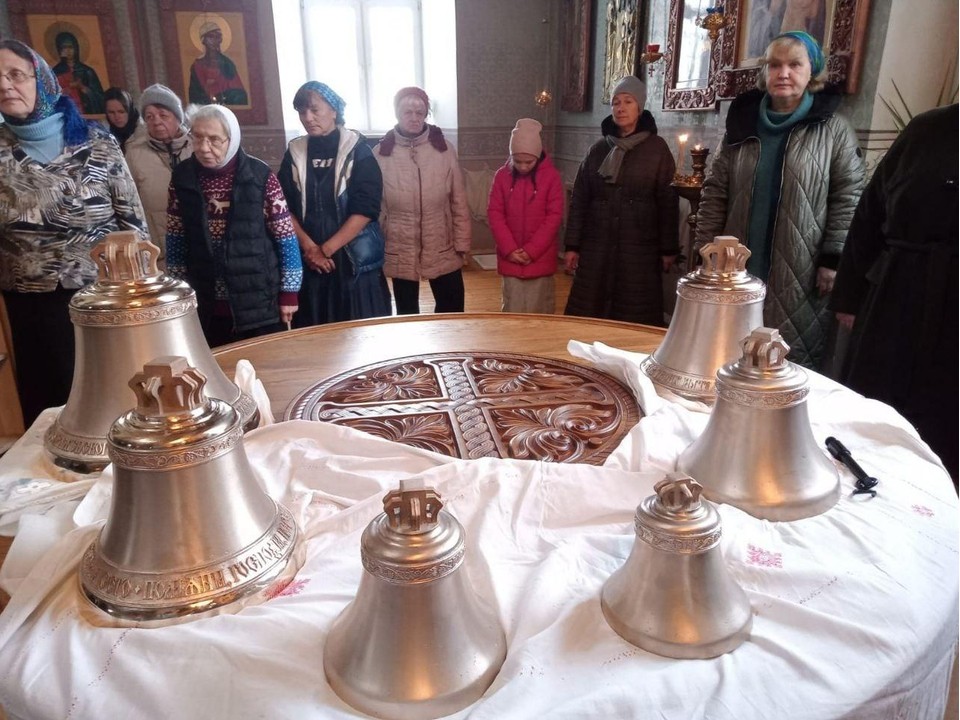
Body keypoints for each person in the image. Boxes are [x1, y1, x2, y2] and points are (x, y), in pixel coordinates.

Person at [0, 39, 147, 426]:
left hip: (103, 300)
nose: (4, 85)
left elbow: (132, 224)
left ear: (43, 80)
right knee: (50, 410)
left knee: (112, 403)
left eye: (16, 74)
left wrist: (142, 301)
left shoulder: (97, 142)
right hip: (29, 309)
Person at [695, 31, 864, 368]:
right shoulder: (742, 124)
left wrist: (833, 259)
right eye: (774, 65)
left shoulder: (834, 129)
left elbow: (849, 195)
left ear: (811, 72)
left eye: (794, 64)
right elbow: (715, 190)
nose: (783, 73)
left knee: (785, 359)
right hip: (738, 262)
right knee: (727, 353)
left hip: (801, 265)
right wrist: (706, 249)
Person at [830, 104, 958, 480]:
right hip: (897, 297)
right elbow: (868, 215)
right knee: (875, 412)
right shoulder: (926, 128)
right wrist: (849, 297)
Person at [165, 104, 301, 347]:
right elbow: (175, 237)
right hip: (204, 299)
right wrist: (178, 293)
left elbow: (285, 238)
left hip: (258, 300)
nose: (204, 148)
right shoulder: (182, 177)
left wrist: (289, 292)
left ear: (232, 139)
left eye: (215, 140)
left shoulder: (260, 176)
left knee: (262, 373)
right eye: (197, 138)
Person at [563, 75, 679, 326]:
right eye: (616, 102)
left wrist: (668, 249)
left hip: (639, 249)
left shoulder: (657, 150)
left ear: (640, 107)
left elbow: (667, 202)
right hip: (597, 247)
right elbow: (580, 199)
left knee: (634, 316)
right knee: (588, 317)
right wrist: (573, 245)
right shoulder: (598, 150)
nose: (620, 107)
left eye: (628, 101)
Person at [278, 81, 391, 325]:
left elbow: (366, 209)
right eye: (301, 111)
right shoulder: (294, 153)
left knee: (360, 335)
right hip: (310, 262)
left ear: (334, 110)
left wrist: (325, 250)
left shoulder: (358, 151)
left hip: (352, 262)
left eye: (314, 110)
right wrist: (310, 249)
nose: (307, 117)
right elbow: (282, 206)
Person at [374, 86, 471, 314]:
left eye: (420, 112)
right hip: (400, 243)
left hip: (441, 242)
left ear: (426, 114)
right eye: (408, 112)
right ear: (397, 113)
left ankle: (450, 350)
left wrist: (463, 243)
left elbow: (458, 200)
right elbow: (375, 208)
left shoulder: (445, 150)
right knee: (407, 314)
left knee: (452, 307)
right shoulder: (380, 154)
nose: (414, 117)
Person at [487, 118, 564, 314]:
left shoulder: (551, 177)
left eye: (528, 162)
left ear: (538, 157)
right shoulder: (501, 176)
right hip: (510, 259)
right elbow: (495, 214)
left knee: (541, 312)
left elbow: (554, 217)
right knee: (512, 310)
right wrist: (510, 249)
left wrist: (531, 250)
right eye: (517, 161)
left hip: (540, 259)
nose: (522, 166)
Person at [124, 84, 193, 264]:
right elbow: (129, 201)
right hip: (159, 248)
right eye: (149, 116)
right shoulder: (134, 152)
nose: (156, 121)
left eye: (163, 115)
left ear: (177, 118)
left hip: (198, 241)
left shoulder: (197, 146)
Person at [188, 21, 248, 106]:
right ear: (203, 40)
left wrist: (223, 96)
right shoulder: (196, 67)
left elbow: (240, 94)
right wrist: (207, 88)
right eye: (211, 36)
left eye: (217, 37)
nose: (214, 40)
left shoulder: (227, 63)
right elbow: (194, 98)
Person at [50, 31, 105, 115]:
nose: (68, 51)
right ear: (59, 50)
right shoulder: (55, 72)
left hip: (88, 117)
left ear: (76, 48)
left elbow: (100, 99)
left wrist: (82, 87)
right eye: (64, 48)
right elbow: (51, 98)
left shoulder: (87, 71)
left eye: (70, 47)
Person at [103, 86, 140, 152]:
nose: (117, 117)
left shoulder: (144, 133)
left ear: (130, 110)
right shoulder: (104, 134)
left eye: (121, 112)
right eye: (111, 112)